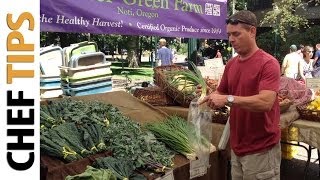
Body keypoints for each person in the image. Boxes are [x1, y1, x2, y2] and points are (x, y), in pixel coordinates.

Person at [199, 10, 281, 180]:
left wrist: (227, 99)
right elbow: (222, 91)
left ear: (252, 31)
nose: (231, 40)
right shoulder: (231, 64)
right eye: (229, 34)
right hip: (237, 146)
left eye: (236, 34)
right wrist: (209, 95)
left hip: (262, 149)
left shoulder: (269, 63)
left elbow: (266, 102)